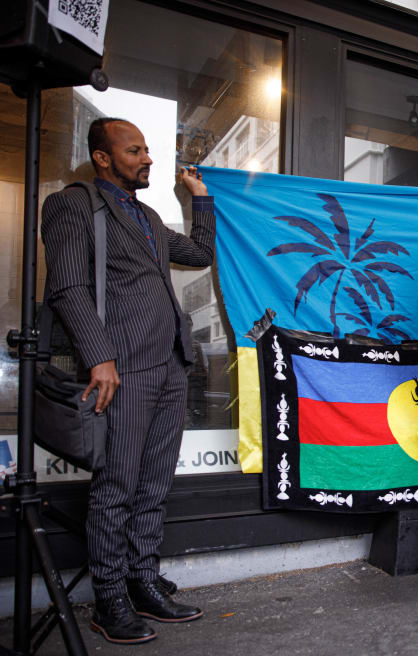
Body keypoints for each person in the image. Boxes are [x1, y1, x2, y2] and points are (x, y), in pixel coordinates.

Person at [41, 118, 215, 644]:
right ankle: (109, 596)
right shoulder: (74, 204)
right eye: (135, 150)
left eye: (146, 150)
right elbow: (67, 287)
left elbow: (200, 254)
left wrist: (200, 199)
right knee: (116, 486)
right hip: (121, 369)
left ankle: (143, 582)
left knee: (154, 483)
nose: (147, 158)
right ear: (102, 157)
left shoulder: (147, 216)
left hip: (169, 366)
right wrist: (99, 358)